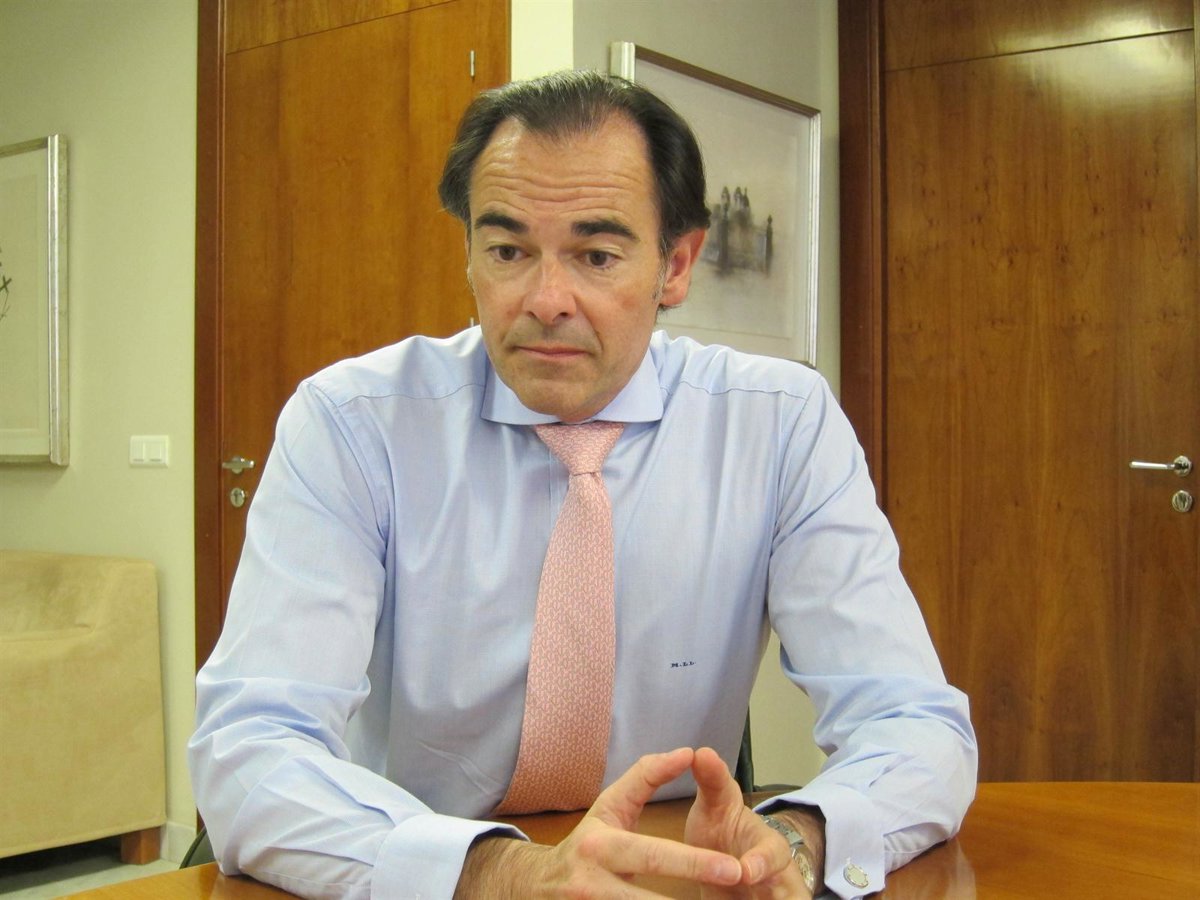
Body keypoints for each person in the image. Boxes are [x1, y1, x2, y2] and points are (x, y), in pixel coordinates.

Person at [189, 70, 976, 899]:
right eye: (508, 251)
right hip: (426, 873)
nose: (546, 300)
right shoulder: (353, 424)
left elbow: (915, 723)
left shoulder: (780, 423)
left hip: (669, 877)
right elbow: (251, 748)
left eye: (596, 256)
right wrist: (500, 873)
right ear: (469, 255)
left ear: (676, 265)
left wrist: (797, 839)